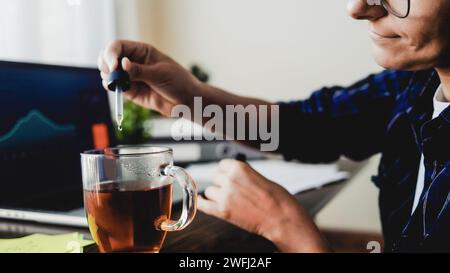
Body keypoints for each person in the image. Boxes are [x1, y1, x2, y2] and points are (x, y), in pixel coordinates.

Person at [98, 0, 450, 252]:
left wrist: (286, 229)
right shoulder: (413, 86)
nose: (357, 7)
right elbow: (303, 127)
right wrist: (188, 98)